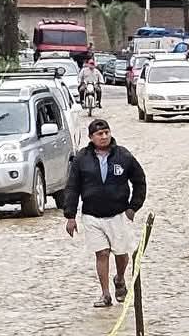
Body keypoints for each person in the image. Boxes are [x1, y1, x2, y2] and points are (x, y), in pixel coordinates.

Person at [63, 118, 148, 309]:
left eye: (106, 132)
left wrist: (133, 207)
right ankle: (105, 294)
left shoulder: (123, 156)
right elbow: (72, 187)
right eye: (99, 134)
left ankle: (119, 278)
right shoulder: (81, 159)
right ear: (91, 137)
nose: (104, 136)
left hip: (119, 214)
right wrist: (70, 216)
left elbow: (140, 181)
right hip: (92, 216)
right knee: (101, 253)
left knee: (121, 253)